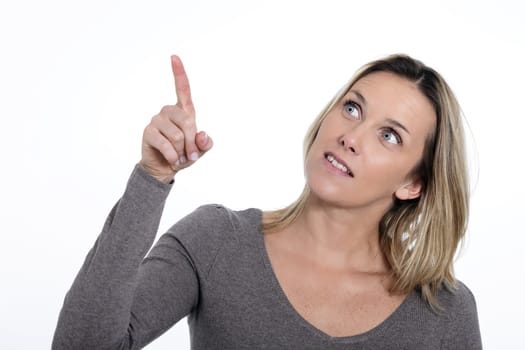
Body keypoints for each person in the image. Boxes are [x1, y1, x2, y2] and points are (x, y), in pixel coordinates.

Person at [52, 54, 482, 349]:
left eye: (389, 136)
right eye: (352, 109)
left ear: (414, 184)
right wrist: (152, 177)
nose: (351, 137)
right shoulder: (216, 242)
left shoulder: (443, 312)